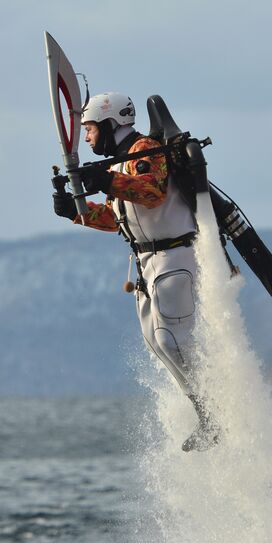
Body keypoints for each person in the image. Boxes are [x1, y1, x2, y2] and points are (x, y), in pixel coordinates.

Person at [53, 91, 221, 452]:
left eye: (90, 129)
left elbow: (153, 193)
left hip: (175, 258)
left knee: (169, 340)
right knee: (157, 344)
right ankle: (205, 411)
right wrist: (75, 211)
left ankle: (213, 412)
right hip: (148, 263)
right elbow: (118, 219)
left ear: (110, 123)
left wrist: (107, 182)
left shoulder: (145, 151)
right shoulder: (118, 164)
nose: (86, 137)